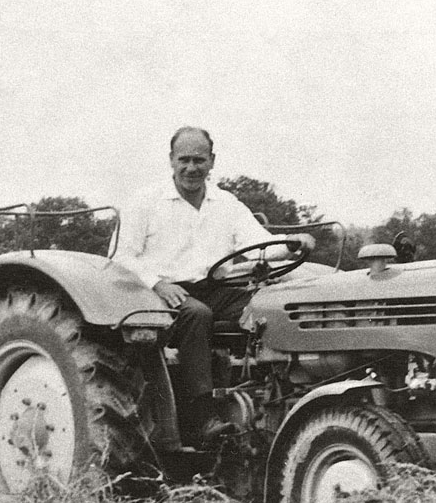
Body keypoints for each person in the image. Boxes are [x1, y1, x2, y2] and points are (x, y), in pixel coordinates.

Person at [115, 126, 311, 443]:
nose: (191, 168)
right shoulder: (145, 203)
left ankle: (278, 396)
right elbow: (121, 256)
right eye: (184, 160)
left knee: (267, 307)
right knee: (197, 315)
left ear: (211, 162)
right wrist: (158, 283)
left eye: (199, 160)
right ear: (171, 160)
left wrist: (292, 245)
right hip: (156, 296)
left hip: (213, 289)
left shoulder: (225, 202)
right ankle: (201, 419)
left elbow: (258, 243)